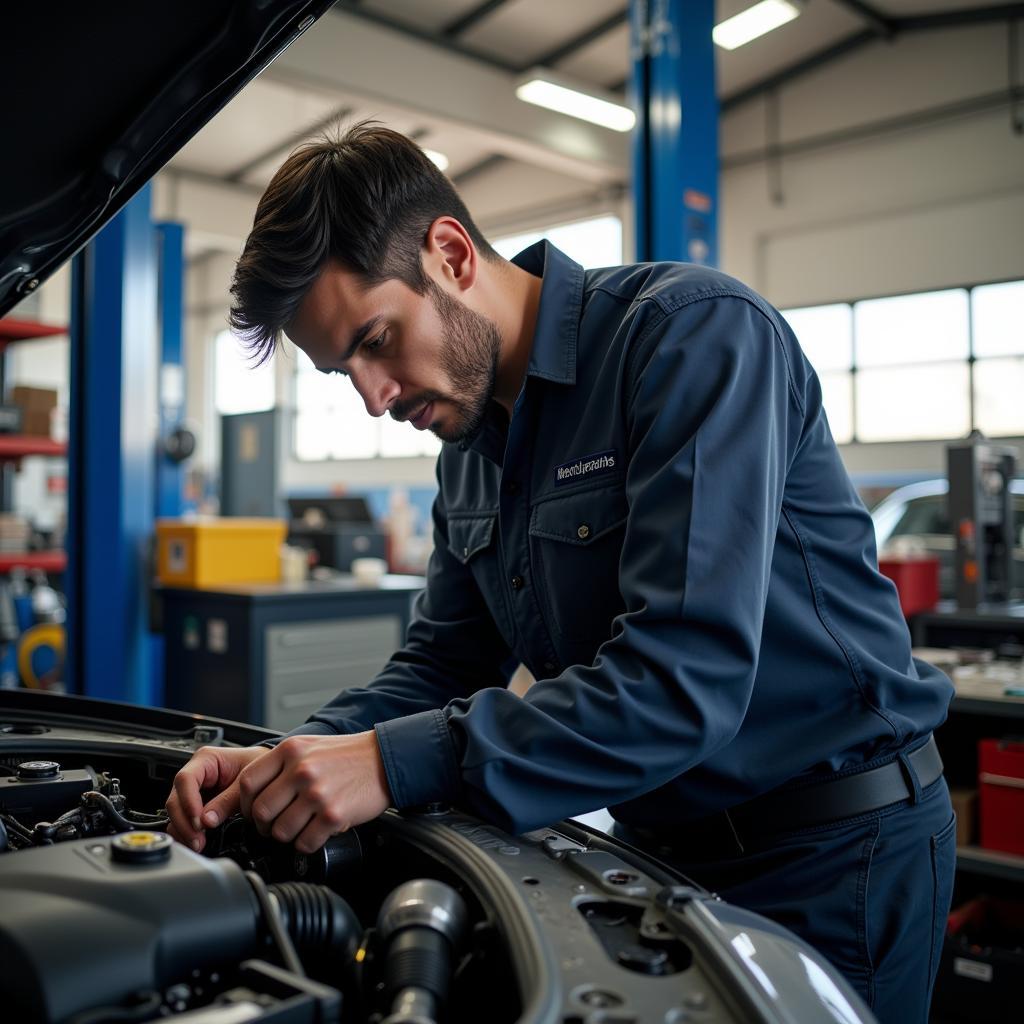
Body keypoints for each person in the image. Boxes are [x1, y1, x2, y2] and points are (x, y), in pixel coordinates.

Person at [166, 122, 955, 1023]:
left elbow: (679, 683)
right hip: (656, 855)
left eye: (376, 341)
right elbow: (443, 662)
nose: (374, 397)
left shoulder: (690, 340)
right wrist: (288, 763)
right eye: (341, 370)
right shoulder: (466, 444)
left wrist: (388, 764)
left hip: (831, 856)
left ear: (452, 253)